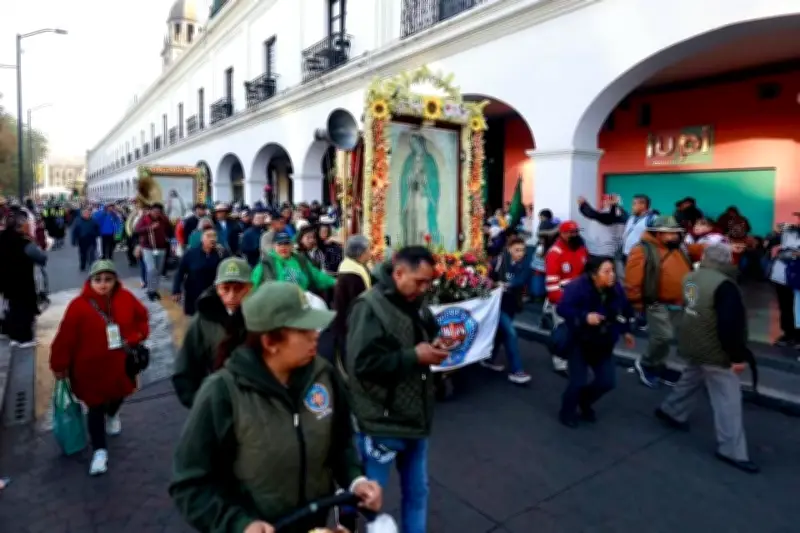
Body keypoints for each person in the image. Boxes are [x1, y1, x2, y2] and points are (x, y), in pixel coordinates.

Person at [169, 281, 382, 533]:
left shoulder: (324, 375)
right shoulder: (222, 392)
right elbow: (189, 484)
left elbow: (341, 442)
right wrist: (238, 524)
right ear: (270, 341)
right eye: (304, 330)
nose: (316, 335)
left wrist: (356, 481)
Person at [346, 246, 447, 533]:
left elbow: (429, 329)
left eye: (429, 282)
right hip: (382, 421)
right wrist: (414, 356)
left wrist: (436, 344)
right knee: (369, 498)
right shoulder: (368, 307)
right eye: (419, 281)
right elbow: (362, 365)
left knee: (418, 493)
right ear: (398, 272)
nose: (424, 288)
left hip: (417, 418)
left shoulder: (416, 300)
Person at [655, 243, 759, 473]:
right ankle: (732, 449)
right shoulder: (725, 286)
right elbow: (729, 325)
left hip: (693, 340)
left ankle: (672, 410)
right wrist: (736, 356)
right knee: (728, 399)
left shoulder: (691, 277)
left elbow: (690, 306)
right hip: (715, 349)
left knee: (691, 377)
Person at [49, 260, 150, 475]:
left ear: (115, 280)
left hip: (120, 366)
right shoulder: (79, 306)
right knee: (95, 408)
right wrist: (59, 365)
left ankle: (113, 415)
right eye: (98, 280)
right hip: (89, 371)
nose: (103, 284)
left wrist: (138, 335)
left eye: (108, 279)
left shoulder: (126, 298)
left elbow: (142, 318)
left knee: (119, 395)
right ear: (90, 281)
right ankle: (100, 451)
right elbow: (65, 338)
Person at [625, 215, 703, 387]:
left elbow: (697, 250)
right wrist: (636, 302)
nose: (674, 236)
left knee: (667, 338)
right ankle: (645, 363)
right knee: (663, 336)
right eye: (670, 233)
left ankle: (658, 365)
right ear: (658, 234)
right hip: (656, 301)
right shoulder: (642, 250)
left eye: (676, 233)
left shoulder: (679, 247)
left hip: (677, 303)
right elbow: (633, 279)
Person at [557, 256, 635, 427]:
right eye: (606, 272)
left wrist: (626, 331)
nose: (612, 275)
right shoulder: (577, 287)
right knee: (577, 381)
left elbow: (624, 309)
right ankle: (567, 412)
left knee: (607, 382)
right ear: (594, 274)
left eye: (613, 271)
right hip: (580, 341)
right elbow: (562, 308)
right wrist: (585, 317)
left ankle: (584, 401)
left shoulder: (615, 289)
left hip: (603, 342)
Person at [172, 257, 252, 408]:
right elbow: (186, 367)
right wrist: (201, 404)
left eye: (239, 288)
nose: (232, 295)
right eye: (226, 288)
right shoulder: (204, 320)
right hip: (221, 400)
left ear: (250, 288)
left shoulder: (262, 316)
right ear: (217, 288)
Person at [482, 236, 532, 384]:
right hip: (497, 306)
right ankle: (517, 371)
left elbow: (522, 280)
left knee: (501, 333)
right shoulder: (497, 262)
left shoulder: (525, 264)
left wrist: (506, 284)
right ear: (509, 249)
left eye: (522, 250)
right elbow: (485, 279)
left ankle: (489, 359)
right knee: (511, 333)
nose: (520, 253)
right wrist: (494, 284)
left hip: (511, 305)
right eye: (517, 250)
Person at [544, 220, 588, 373]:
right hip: (563, 300)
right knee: (563, 331)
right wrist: (561, 301)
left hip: (579, 298)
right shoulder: (554, 253)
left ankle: (573, 357)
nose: (574, 234)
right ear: (562, 233)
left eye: (576, 231)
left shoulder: (580, 249)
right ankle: (560, 362)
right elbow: (551, 283)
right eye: (571, 232)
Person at [0, 209, 47, 347]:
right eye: (26, 224)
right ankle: (24, 338)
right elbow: (41, 258)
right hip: (22, 281)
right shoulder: (24, 242)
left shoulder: (2, 237)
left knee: (12, 307)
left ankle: (12, 335)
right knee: (24, 309)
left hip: (6, 281)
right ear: (21, 226)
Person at [328, 235, 372, 369]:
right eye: (368, 250)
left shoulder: (352, 266)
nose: (370, 253)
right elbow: (357, 303)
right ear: (360, 253)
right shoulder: (353, 275)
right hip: (349, 324)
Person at [252, 231, 336, 294]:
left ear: (292, 246)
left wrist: (335, 282)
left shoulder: (300, 260)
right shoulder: (266, 264)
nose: (283, 247)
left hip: (301, 302)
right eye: (280, 244)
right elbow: (253, 288)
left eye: (286, 244)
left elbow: (317, 275)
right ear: (274, 246)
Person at [172, 227, 229, 316]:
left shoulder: (221, 253)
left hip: (214, 295)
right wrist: (176, 290)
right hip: (194, 294)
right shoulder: (190, 254)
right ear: (202, 238)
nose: (212, 239)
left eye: (214, 236)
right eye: (209, 236)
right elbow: (180, 272)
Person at [135, 203, 171, 301]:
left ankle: (154, 290)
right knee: (151, 270)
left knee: (158, 271)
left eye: (159, 212)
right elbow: (137, 230)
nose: (156, 214)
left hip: (161, 248)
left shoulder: (163, 219)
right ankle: (150, 291)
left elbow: (169, 230)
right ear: (151, 211)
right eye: (155, 211)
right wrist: (150, 227)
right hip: (148, 248)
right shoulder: (145, 219)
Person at [72, 207, 100, 272]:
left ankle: (93, 265)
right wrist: (73, 240)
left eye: (88, 213)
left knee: (92, 253)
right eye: (85, 213)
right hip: (82, 240)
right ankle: (83, 265)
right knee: (83, 254)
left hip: (91, 239)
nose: (87, 214)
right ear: (82, 214)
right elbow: (74, 231)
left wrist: (97, 234)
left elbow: (97, 228)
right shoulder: (78, 221)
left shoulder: (93, 220)